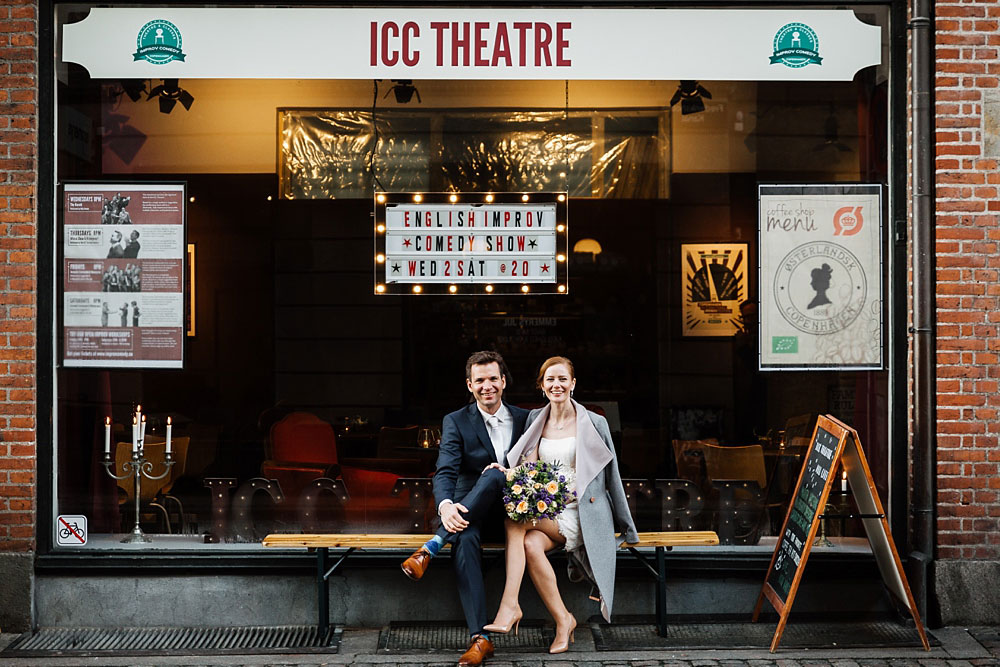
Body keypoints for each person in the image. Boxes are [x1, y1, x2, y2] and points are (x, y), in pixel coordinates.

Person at [483, 356, 638, 654]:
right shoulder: (535, 420)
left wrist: (627, 527)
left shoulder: (595, 422)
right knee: (529, 543)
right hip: (548, 510)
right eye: (550, 380)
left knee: (514, 521)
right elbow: (530, 467)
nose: (557, 385)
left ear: (573, 383)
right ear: (542, 386)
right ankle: (563, 619)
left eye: (562, 379)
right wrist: (509, 473)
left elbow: (612, 477)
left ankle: (510, 604)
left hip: (580, 511)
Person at [400, 350, 529, 667]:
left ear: (503, 381)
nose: (487, 386)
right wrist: (444, 506)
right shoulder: (456, 420)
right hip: (466, 512)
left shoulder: (527, 419)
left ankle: (433, 545)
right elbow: (445, 470)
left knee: (496, 474)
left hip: (512, 516)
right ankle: (481, 639)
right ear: (470, 385)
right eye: (480, 380)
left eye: (493, 379)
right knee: (466, 539)